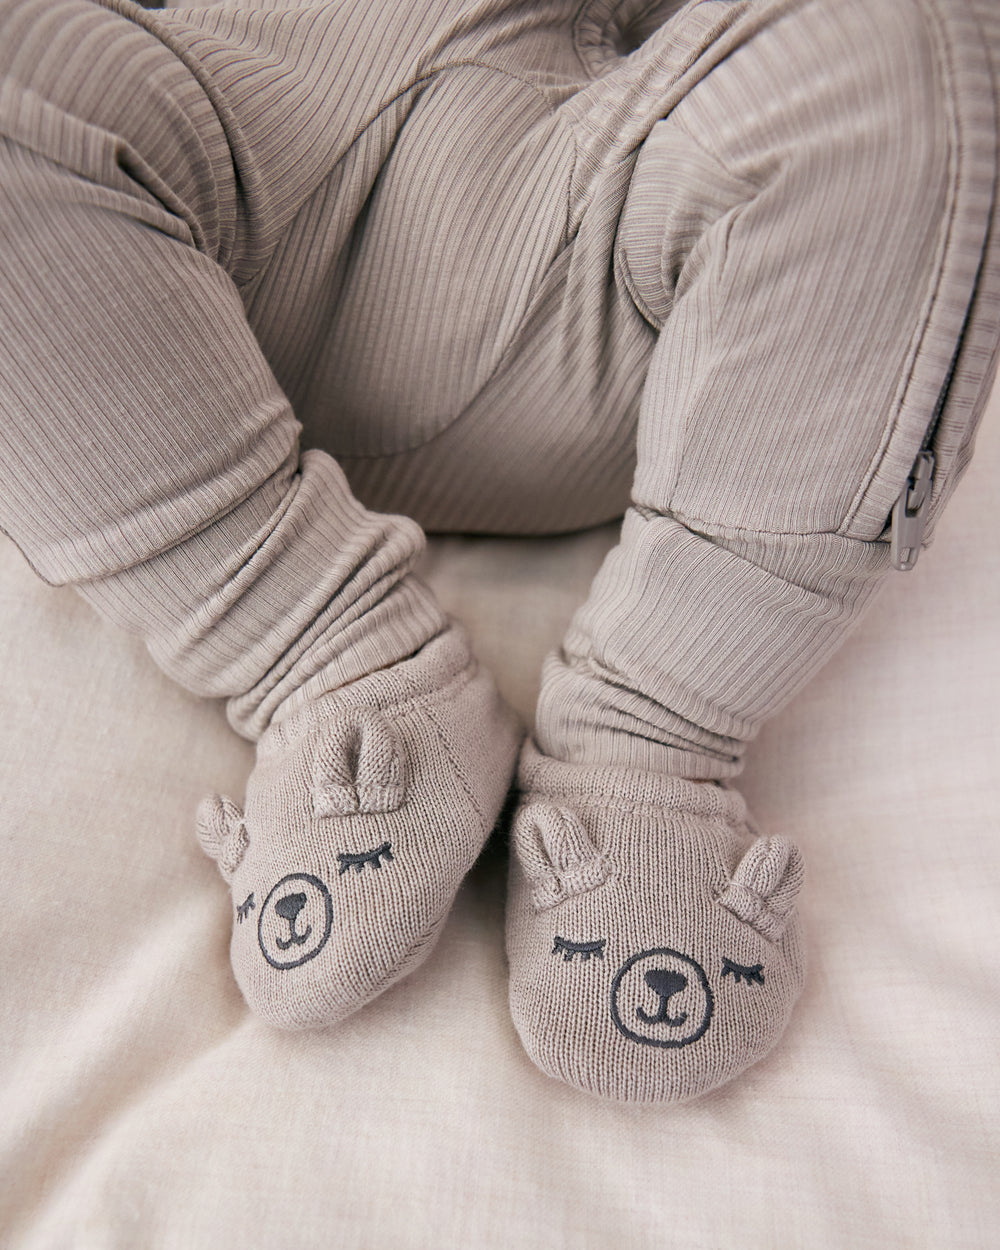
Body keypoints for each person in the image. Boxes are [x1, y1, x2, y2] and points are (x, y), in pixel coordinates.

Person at [1, 0, 996, 1104]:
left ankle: (652, 723)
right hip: (211, 172)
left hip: (603, 208)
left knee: (902, 38)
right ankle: (322, 650)